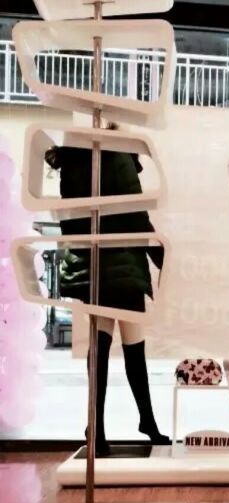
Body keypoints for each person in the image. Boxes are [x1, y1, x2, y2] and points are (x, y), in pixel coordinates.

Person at [45, 123, 170, 457]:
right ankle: (146, 421)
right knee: (133, 344)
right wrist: (158, 254)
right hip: (122, 263)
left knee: (100, 344)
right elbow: (135, 212)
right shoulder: (118, 154)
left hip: (91, 265)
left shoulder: (73, 160)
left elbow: (70, 221)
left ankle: (97, 427)